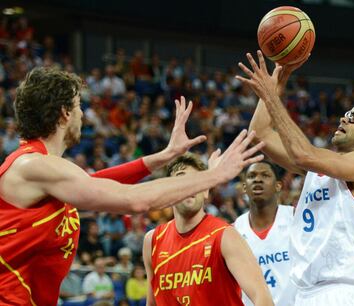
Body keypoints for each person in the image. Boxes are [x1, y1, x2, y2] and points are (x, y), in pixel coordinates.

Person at [0, 67, 264, 305]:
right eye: (79, 105)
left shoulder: (44, 170)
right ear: (65, 113)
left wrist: (164, 156)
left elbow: (96, 182)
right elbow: (135, 201)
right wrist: (214, 175)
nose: (82, 113)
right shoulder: (33, 166)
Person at [237, 51, 354, 305]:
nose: (344, 118)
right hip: (305, 292)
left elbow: (303, 154)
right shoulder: (321, 168)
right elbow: (259, 134)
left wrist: (272, 96)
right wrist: (279, 78)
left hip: (341, 291)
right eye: (345, 114)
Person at [143, 153, 273, 306]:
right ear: (169, 190)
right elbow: (152, 303)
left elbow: (262, 297)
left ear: (205, 192)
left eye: (197, 182)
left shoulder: (225, 235)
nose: (190, 186)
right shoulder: (152, 240)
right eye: (181, 179)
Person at [234, 161, 295, 305]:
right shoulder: (234, 230)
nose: (258, 179)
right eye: (251, 176)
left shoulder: (295, 218)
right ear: (244, 187)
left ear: (278, 185)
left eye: (265, 175)